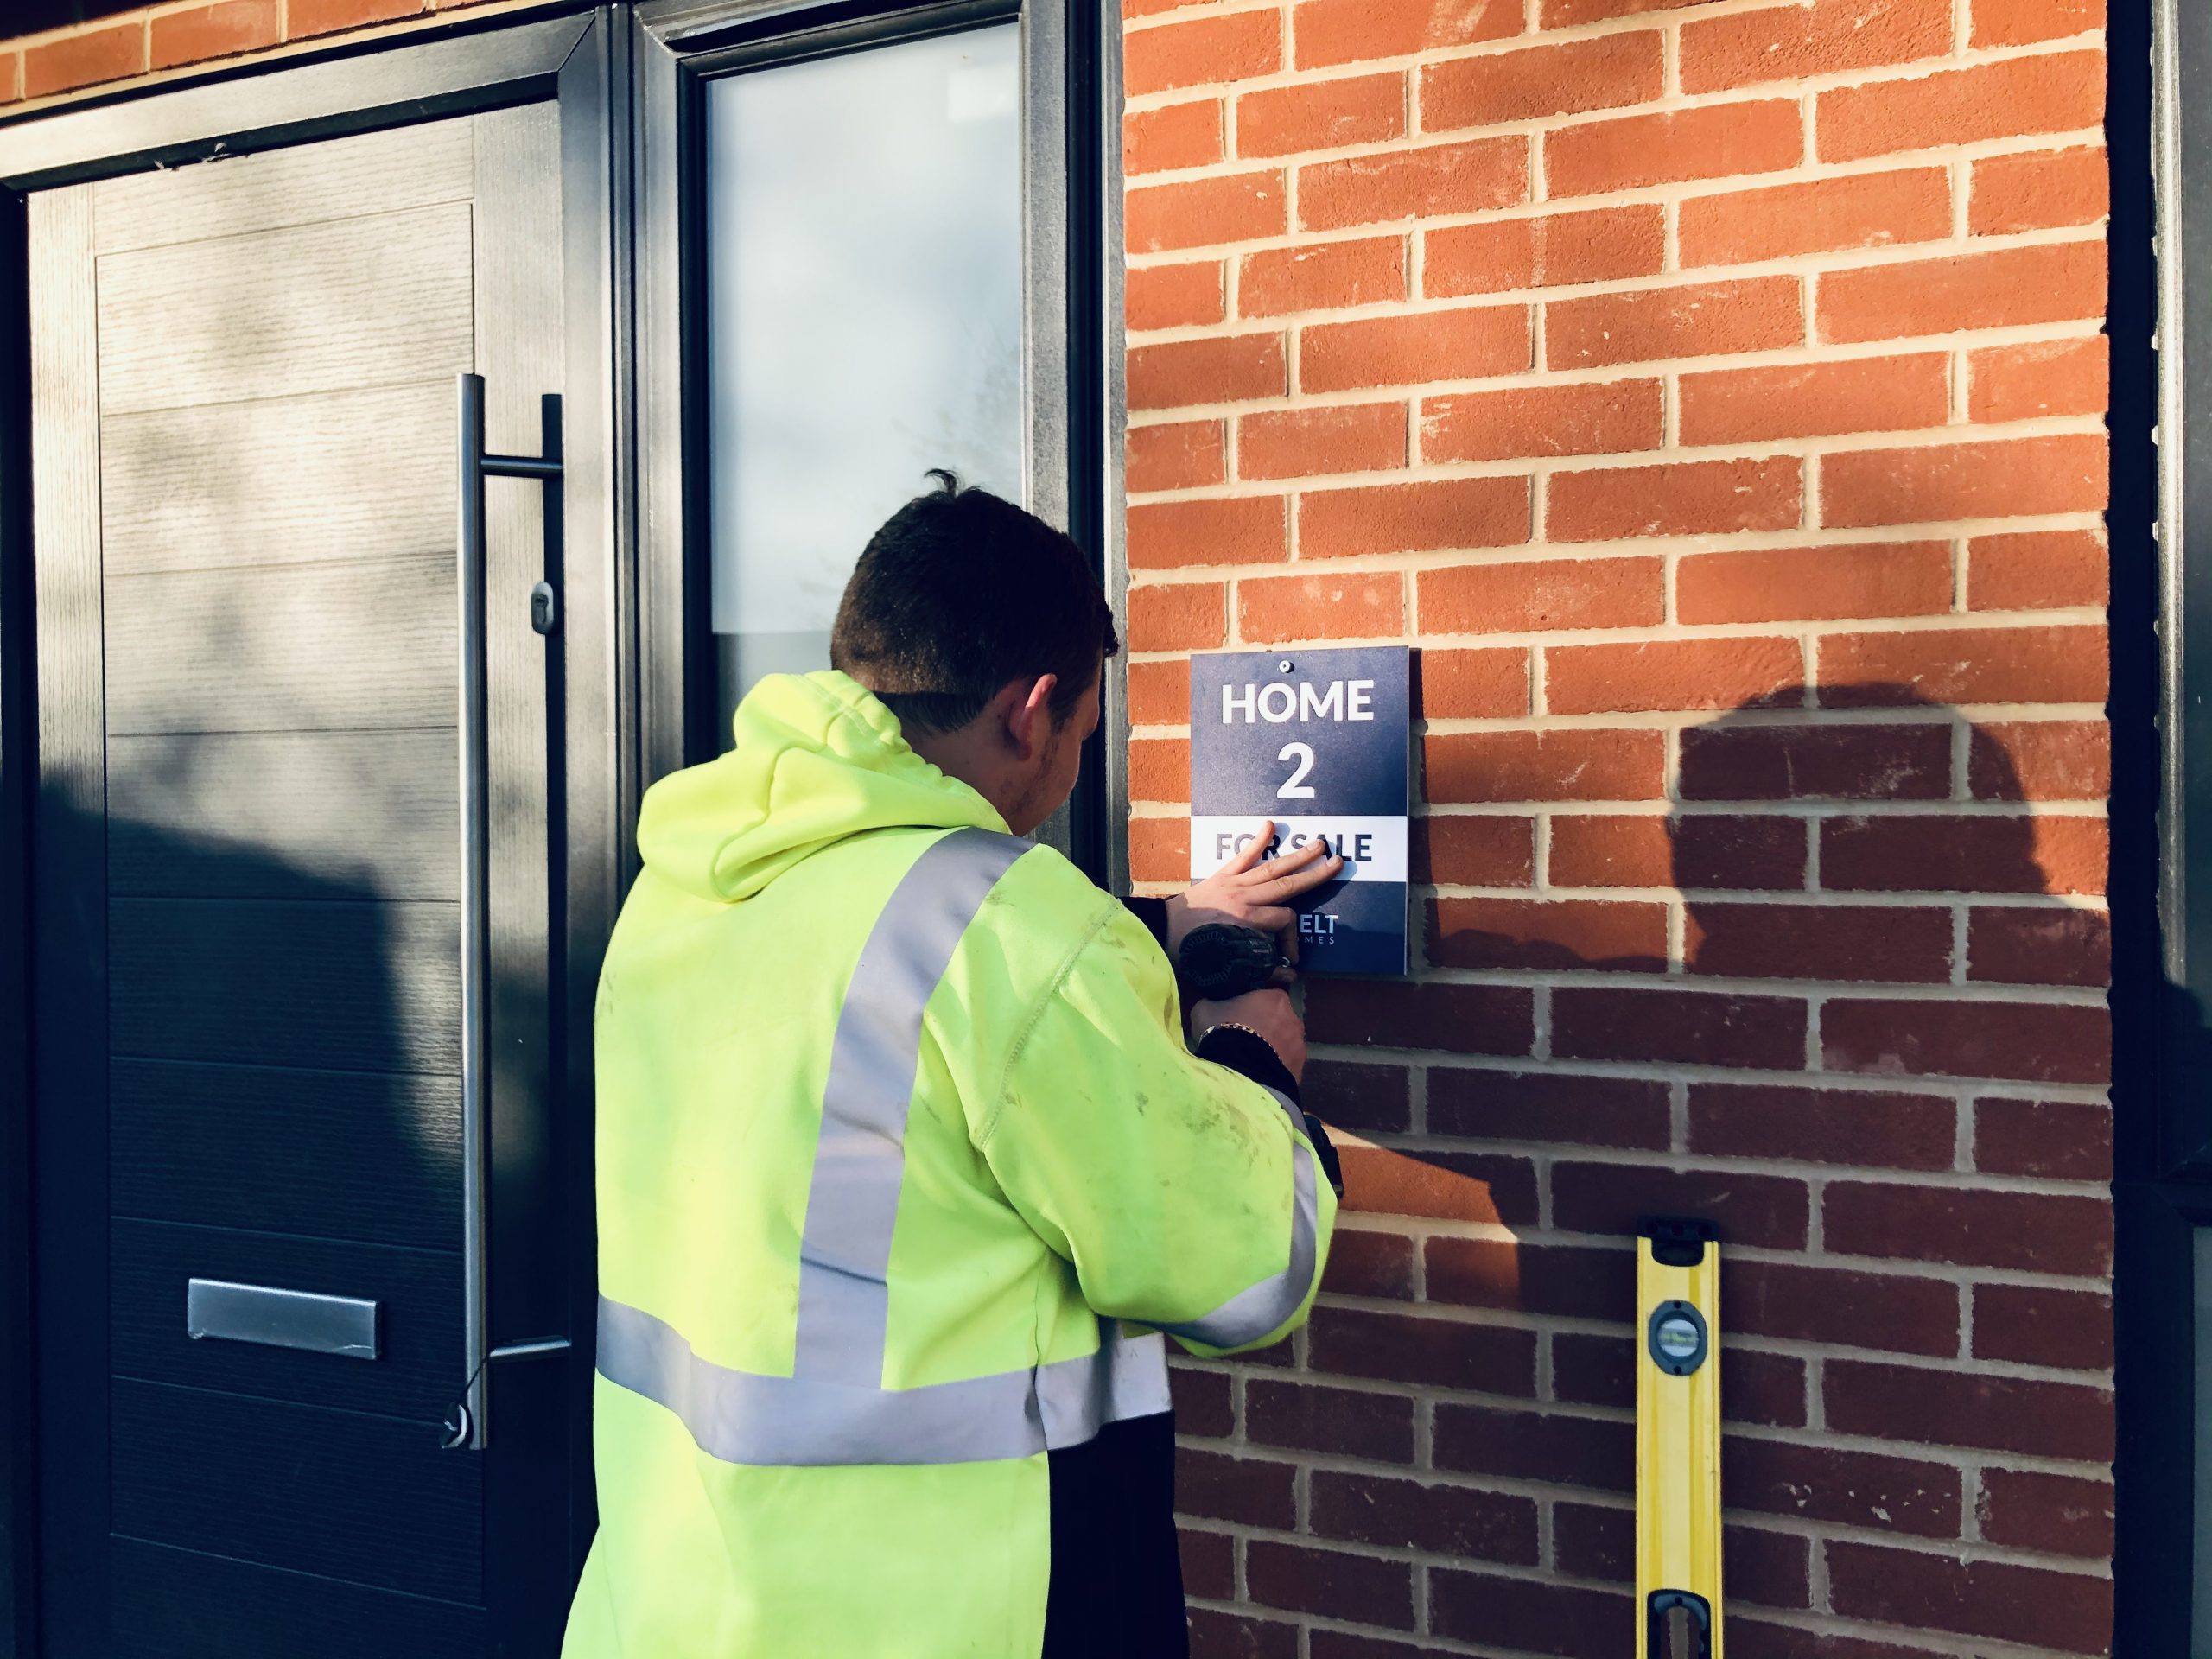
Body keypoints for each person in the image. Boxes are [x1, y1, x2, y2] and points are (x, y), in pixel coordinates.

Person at [561, 472, 1344, 1659]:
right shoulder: (1017, 933)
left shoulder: (688, 888)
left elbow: (880, 1010)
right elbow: (1242, 1271)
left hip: (681, 1606)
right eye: (1086, 731)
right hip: (948, 1614)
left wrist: (1144, 937)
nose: (1078, 761)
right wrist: (1249, 1060)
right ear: (1031, 712)